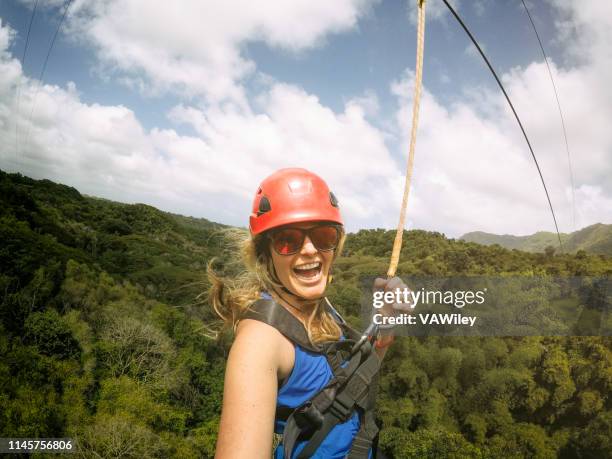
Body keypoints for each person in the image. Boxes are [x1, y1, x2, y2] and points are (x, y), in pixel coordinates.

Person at [210, 168, 399, 458]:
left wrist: (384, 329)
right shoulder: (259, 343)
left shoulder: (317, 307)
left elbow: (349, 386)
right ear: (265, 253)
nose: (310, 250)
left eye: (323, 236)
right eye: (288, 239)